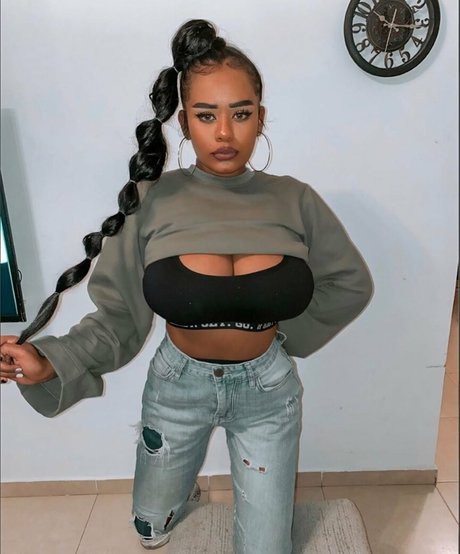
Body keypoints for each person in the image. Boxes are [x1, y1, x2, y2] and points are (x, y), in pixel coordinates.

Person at [0, 19, 373, 553]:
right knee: (150, 529)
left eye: (240, 114)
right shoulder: (150, 198)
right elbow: (118, 317)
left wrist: (282, 339)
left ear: (261, 117)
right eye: (205, 115)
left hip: (268, 393)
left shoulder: (295, 199)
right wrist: (49, 361)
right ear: (183, 121)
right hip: (177, 386)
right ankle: (177, 493)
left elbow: (349, 283)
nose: (224, 134)